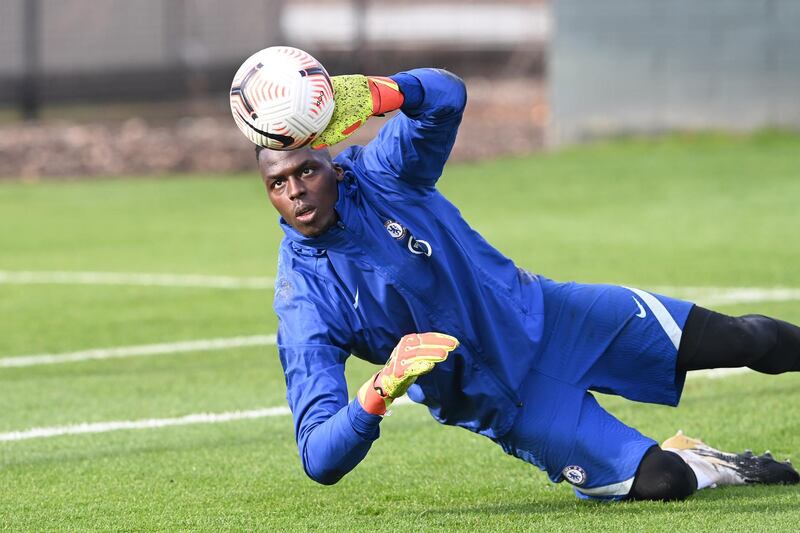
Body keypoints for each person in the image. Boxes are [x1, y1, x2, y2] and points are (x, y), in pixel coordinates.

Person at [254, 68, 800, 501]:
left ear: (334, 167)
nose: (297, 191)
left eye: (307, 170)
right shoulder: (303, 299)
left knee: (749, 340)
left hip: (558, 318)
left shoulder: (384, 172)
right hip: (510, 402)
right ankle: (708, 463)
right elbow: (318, 457)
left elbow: (447, 98)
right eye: (279, 183)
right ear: (268, 193)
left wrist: (381, 93)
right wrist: (378, 391)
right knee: (664, 480)